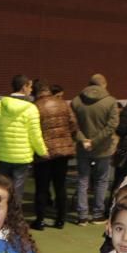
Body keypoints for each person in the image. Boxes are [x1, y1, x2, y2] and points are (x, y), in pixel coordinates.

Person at [0, 74, 47, 203]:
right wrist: (42, 151)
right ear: (24, 87)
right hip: (22, 158)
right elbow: (35, 134)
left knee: (0, 189)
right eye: (30, 87)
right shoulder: (31, 109)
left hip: (2, 155)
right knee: (16, 192)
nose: (31, 90)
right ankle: (14, 218)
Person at [72, 73, 119, 225]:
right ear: (104, 85)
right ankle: (98, 214)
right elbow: (112, 125)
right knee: (101, 181)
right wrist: (96, 141)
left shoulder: (76, 101)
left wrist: (83, 140)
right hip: (102, 149)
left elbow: (72, 125)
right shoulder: (110, 102)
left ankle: (82, 216)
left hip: (82, 148)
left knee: (82, 181)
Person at [31, 81, 77, 230]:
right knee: (60, 186)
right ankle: (60, 220)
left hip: (43, 153)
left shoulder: (35, 107)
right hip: (62, 152)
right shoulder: (63, 103)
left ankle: (40, 220)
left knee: (42, 187)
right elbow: (73, 124)